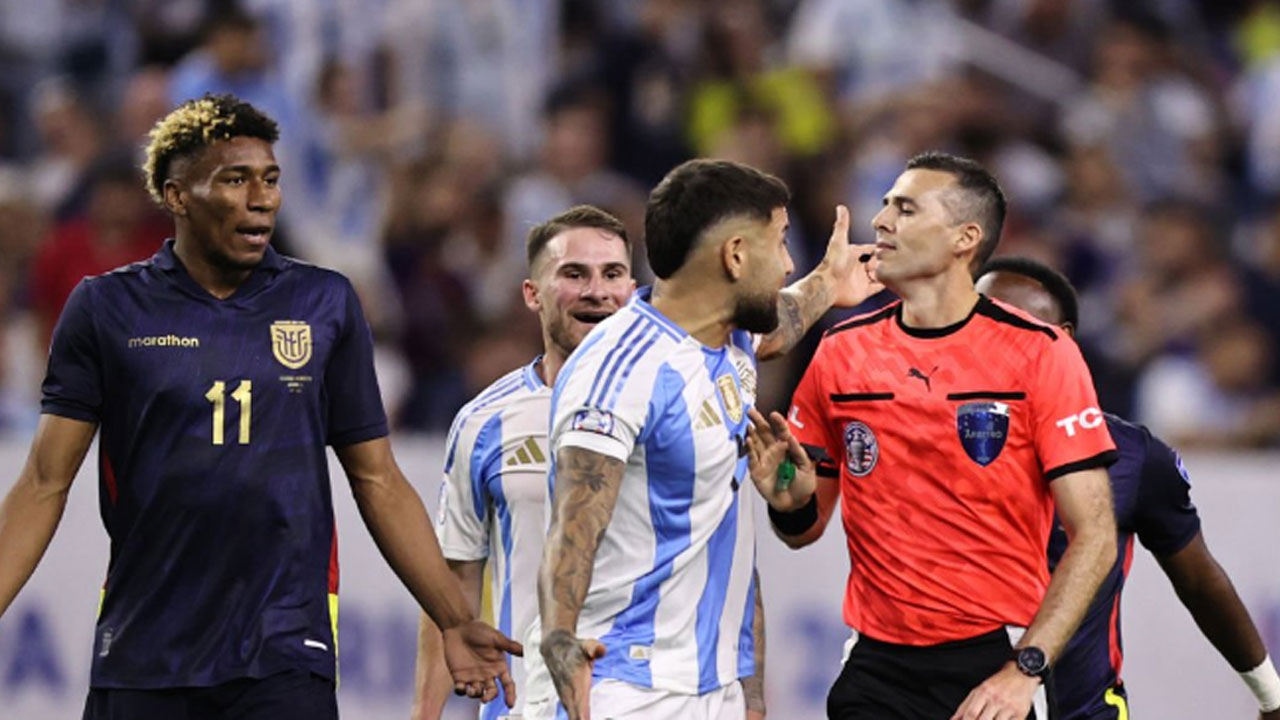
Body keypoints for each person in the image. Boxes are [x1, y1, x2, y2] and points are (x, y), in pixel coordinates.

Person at [0, 94, 520, 720]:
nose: (262, 198)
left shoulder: (324, 303)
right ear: (177, 196)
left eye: (270, 179)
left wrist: (455, 619)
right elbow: (43, 483)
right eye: (235, 180)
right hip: (143, 649)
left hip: (284, 652)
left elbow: (378, 479)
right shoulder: (107, 309)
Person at [416, 190, 882, 719]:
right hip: (562, 691)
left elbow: (773, 323)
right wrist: (425, 713)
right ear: (532, 293)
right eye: (574, 274)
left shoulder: (711, 362)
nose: (596, 291)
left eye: (613, 273)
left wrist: (827, 282)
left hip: (690, 687)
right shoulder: (486, 421)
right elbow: (454, 581)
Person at [747, 151, 1119, 720]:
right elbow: (803, 528)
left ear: (964, 238)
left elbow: (1095, 535)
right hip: (876, 668)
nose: (880, 221)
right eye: (885, 205)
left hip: (994, 661)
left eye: (906, 209)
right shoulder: (841, 351)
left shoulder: (1041, 353)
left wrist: (1024, 671)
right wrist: (790, 502)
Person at [974, 256, 1280, 720]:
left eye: (1011, 327)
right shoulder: (918, 439)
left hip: (1082, 711)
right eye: (976, 324)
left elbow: (1199, 581)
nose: (988, 342)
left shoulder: (1130, 457)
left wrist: (1269, 694)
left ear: (1062, 340)